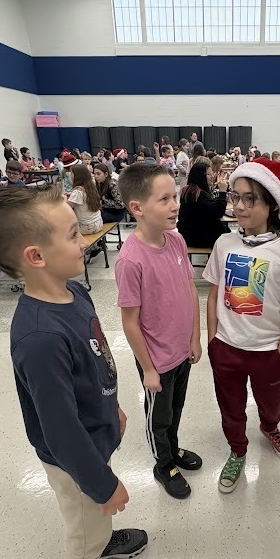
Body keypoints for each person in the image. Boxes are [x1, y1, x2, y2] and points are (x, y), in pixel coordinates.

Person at [0, 185, 156, 559]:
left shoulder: (73, 292)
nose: (84, 241)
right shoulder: (39, 338)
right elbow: (59, 429)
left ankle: (103, 532)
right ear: (36, 256)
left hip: (94, 437)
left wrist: (110, 407)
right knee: (82, 536)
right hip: (74, 458)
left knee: (94, 515)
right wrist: (103, 485)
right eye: (73, 235)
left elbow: (93, 362)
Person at [203, 158, 280, 494]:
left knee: (271, 400)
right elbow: (212, 294)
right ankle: (237, 450)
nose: (238, 206)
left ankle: (270, 427)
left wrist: (279, 354)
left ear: (271, 204)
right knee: (230, 406)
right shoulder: (224, 244)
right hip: (226, 347)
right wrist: (212, 340)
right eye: (234, 196)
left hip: (267, 352)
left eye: (249, 199)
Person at [115, 163, 202, 500]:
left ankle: (174, 450)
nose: (175, 205)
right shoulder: (131, 260)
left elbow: (190, 290)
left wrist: (194, 336)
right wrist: (149, 368)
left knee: (176, 409)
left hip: (181, 350)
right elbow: (130, 322)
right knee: (159, 415)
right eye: (164, 199)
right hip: (157, 361)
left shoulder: (176, 241)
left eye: (175, 197)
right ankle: (163, 463)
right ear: (137, 208)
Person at [177, 158, 229, 249]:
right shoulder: (197, 194)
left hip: (189, 234)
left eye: (211, 173)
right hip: (197, 237)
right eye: (208, 174)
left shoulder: (190, 190)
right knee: (228, 237)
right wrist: (222, 192)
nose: (212, 176)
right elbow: (218, 212)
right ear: (201, 176)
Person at [67, 164, 103, 235]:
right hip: (99, 223)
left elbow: (66, 208)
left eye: (71, 174)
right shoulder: (91, 186)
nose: (70, 176)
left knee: (63, 230)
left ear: (77, 176)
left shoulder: (77, 191)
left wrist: (64, 198)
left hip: (86, 227)